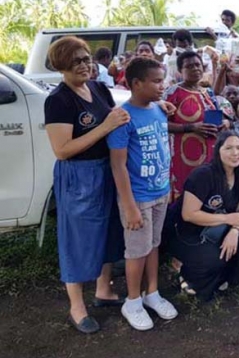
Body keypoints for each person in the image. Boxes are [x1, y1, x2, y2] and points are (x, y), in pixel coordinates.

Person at [44, 36, 129, 334]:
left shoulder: (98, 87)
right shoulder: (59, 100)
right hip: (78, 176)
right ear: (61, 66)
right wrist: (104, 126)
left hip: (106, 170)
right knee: (78, 239)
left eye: (86, 58)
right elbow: (62, 150)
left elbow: (118, 119)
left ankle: (103, 289)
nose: (84, 65)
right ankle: (76, 306)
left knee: (108, 231)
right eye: (76, 61)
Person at [108, 57, 178, 331]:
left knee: (153, 245)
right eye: (157, 81)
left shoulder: (159, 110)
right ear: (136, 83)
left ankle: (152, 293)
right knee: (136, 251)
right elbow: (118, 165)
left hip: (160, 191)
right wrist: (129, 206)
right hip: (137, 197)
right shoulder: (123, 117)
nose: (164, 86)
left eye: (164, 80)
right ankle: (132, 301)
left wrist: (169, 186)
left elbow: (163, 150)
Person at [169, 131, 239, 301]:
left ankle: (218, 277)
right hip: (187, 234)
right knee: (213, 259)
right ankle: (185, 272)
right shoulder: (203, 175)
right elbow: (189, 214)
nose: (235, 153)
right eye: (228, 148)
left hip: (215, 231)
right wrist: (227, 219)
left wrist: (234, 231)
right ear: (217, 150)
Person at [165, 51, 226, 202]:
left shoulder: (208, 93)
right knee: (187, 193)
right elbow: (160, 124)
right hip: (184, 155)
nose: (195, 69)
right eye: (189, 66)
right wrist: (191, 127)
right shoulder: (174, 93)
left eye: (198, 65)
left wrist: (224, 123)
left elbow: (220, 115)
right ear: (180, 71)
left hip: (210, 154)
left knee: (207, 193)